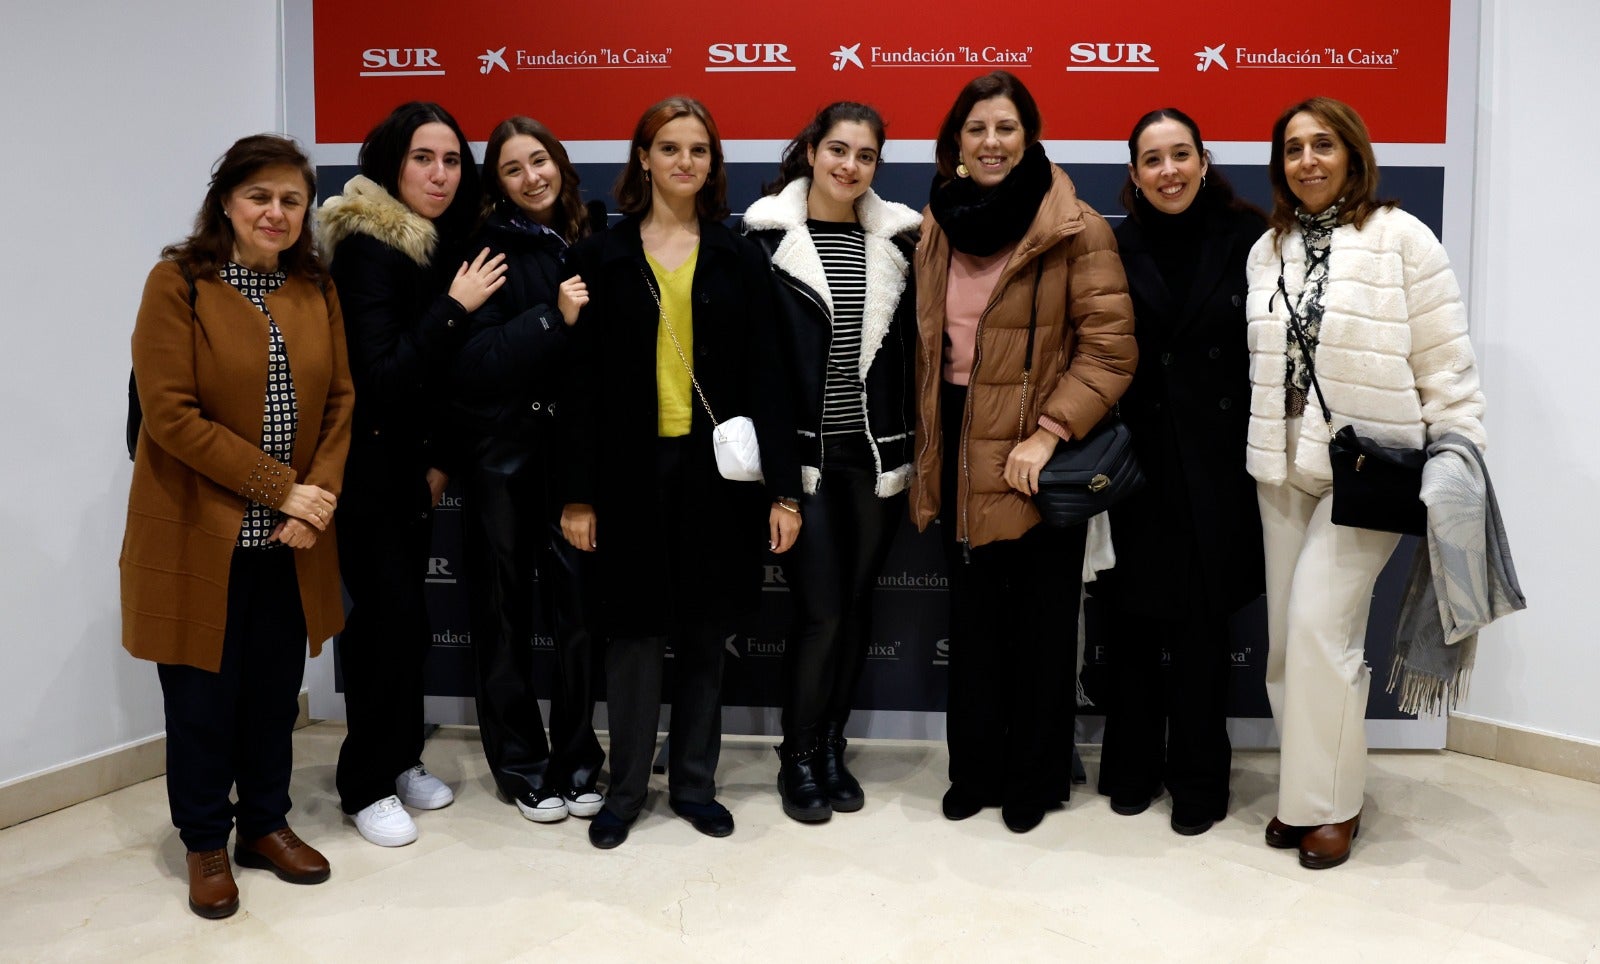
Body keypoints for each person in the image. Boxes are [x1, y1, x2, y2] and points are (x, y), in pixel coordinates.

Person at [1246, 97, 1486, 868]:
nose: (1308, 160)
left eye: (1323, 144)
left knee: (1324, 630)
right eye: (1293, 148)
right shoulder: (1266, 250)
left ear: (1352, 152)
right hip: (1280, 466)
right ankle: (1303, 791)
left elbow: (1446, 359)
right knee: (1288, 644)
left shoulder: (1401, 239)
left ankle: (1329, 807)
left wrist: (1458, 453)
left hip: (1368, 471)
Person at [559, 96, 801, 849]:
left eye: (699, 149)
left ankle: (694, 784)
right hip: (628, 472)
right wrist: (577, 494)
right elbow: (580, 386)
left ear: (712, 163)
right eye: (670, 148)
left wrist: (784, 489)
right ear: (643, 158)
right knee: (631, 636)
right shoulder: (599, 255)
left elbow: (770, 379)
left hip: (716, 477)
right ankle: (625, 791)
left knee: (704, 633)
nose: (685, 162)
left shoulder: (737, 256)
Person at [122, 134, 354, 918]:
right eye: (261, 197)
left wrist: (313, 500)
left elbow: (341, 403)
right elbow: (170, 415)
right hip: (200, 535)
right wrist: (283, 488)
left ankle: (264, 823)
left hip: (289, 544)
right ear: (226, 200)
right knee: (199, 703)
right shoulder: (178, 283)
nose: (277, 213)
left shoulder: (314, 287)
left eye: (292, 200)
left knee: (268, 697)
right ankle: (204, 843)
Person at [911, 71, 1137, 833]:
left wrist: (1047, 433)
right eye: (977, 129)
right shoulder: (938, 221)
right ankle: (973, 769)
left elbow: (1108, 352)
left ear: (1030, 138)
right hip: (957, 438)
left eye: (1005, 127)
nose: (991, 142)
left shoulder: (1075, 226)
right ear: (957, 144)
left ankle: (1034, 780)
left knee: (1042, 626)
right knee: (973, 621)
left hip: (1039, 451)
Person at [317, 101, 506, 847]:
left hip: (408, 474)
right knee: (384, 629)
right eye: (424, 158)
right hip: (363, 476)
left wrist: (436, 460)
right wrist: (456, 307)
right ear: (392, 163)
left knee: (409, 629)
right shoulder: (370, 246)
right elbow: (383, 376)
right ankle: (363, 785)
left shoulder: (432, 243)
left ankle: (397, 761)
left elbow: (436, 388)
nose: (439, 173)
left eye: (453, 159)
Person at [743, 102, 921, 822]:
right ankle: (798, 754)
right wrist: (779, 486)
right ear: (811, 151)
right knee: (819, 614)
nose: (851, 166)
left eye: (866, 155)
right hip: (806, 464)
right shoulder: (763, 241)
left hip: (873, 459)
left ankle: (830, 748)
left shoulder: (899, 243)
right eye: (838, 150)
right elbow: (756, 370)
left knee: (854, 609)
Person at [1093, 108, 1266, 836]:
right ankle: (1130, 768)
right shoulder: (1108, 245)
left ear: (1202, 160)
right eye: (1152, 160)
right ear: (1134, 174)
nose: (1169, 171)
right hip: (1133, 461)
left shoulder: (1251, 240)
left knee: (1201, 634)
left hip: (1219, 464)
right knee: (1129, 624)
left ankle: (1199, 778)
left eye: (1180, 155)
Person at [450, 116, 604, 824]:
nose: (531, 177)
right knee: (504, 617)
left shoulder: (595, 235)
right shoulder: (487, 248)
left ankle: (579, 760)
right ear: (499, 183)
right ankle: (520, 766)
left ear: (560, 162)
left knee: (579, 616)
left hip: (575, 456)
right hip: (503, 457)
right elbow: (473, 363)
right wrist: (553, 317)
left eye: (538, 160)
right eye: (513, 169)